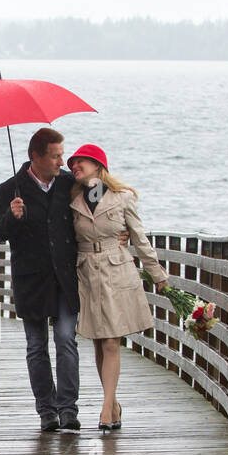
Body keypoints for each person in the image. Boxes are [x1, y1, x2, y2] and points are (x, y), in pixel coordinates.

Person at [0, 128, 125, 432]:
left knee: (65, 339)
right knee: (36, 346)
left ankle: (68, 409)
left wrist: (118, 230)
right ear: (35, 156)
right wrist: (12, 216)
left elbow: (102, 202)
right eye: (56, 155)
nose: (63, 161)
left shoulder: (68, 184)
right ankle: (46, 411)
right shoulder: (10, 189)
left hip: (65, 278)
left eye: (63, 155)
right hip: (31, 281)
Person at [65, 144, 169, 433]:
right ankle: (113, 404)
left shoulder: (123, 198)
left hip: (116, 270)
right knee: (100, 342)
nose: (74, 167)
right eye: (72, 164)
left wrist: (157, 275)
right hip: (86, 273)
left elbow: (139, 239)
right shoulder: (71, 199)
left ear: (98, 165)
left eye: (80, 162)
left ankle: (107, 408)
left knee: (111, 341)